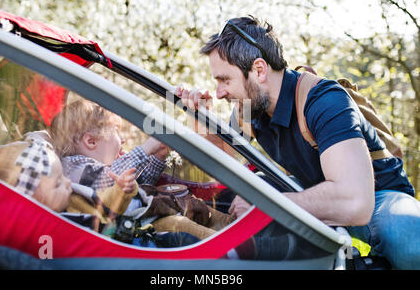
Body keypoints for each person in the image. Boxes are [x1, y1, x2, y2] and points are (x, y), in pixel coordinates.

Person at [176, 16, 420, 269]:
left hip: (376, 197)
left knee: (409, 239)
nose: (219, 93)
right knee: (249, 186)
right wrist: (200, 118)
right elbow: (221, 161)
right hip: (309, 192)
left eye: (225, 80)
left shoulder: (324, 101)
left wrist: (266, 206)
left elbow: (355, 202)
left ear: (259, 70)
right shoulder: (249, 108)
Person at [48, 99, 232, 241]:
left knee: (199, 207)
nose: (124, 140)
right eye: (117, 133)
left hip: (139, 219)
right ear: (91, 141)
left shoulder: (100, 165)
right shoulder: (73, 166)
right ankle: (232, 248)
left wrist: (157, 158)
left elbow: (140, 185)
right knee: (179, 224)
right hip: (130, 228)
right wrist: (145, 148)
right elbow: (108, 182)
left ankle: (234, 227)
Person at [0, 138, 138, 230]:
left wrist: (121, 190)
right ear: (31, 203)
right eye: (57, 184)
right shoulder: (53, 234)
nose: (68, 182)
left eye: (62, 175)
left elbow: (105, 202)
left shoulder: (73, 199)